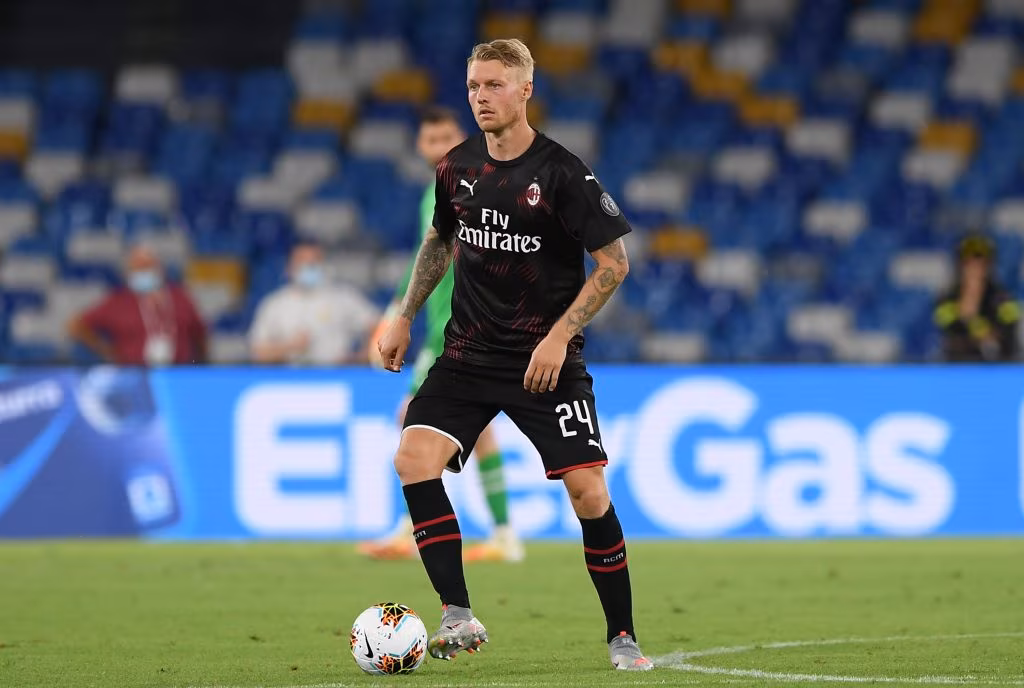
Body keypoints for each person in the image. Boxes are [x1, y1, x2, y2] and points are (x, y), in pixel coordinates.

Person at [376, 39, 652, 671]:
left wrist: (558, 336)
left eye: (495, 85)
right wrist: (405, 315)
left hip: (543, 363)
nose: (481, 97)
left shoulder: (562, 174)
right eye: (474, 86)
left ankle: (622, 636)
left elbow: (614, 264)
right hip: (468, 354)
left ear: (526, 90)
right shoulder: (456, 167)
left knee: (588, 493)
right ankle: (457, 614)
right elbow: (439, 241)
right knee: (413, 457)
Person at [358, 106, 524, 564]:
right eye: (432, 140)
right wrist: (397, 310)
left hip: (463, 327)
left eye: (447, 137)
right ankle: (504, 534)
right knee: (478, 429)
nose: (440, 147)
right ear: (420, 145)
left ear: (461, 136)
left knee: (413, 416)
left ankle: (415, 528)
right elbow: (425, 257)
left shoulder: (478, 188)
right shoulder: (433, 194)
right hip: (445, 325)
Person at [70, 243, 207, 365]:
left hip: (178, 372)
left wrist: (201, 364)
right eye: (137, 268)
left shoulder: (180, 297)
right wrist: (106, 351)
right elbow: (76, 325)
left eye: (146, 266)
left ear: (159, 268)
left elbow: (200, 333)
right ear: (128, 273)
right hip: (133, 373)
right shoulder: (118, 301)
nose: (142, 272)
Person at [249, 242, 379, 365]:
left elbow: (380, 328)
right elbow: (257, 352)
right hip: (291, 375)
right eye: (302, 262)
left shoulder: (343, 297)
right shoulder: (274, 304)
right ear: (289, 267)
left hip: (337, 374)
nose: (309, 267)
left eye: (314, 262)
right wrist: (290, 347)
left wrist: (360, 357)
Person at [934, 234, 1019, 362]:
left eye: (981, 264)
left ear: (989, 266)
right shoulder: (946, 299)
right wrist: (970, 299)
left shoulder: (1005, 299)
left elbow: (1009, 335)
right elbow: (951, 332)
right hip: (956, 367)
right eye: (970, 264)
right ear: (960, 266)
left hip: (997, 367)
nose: (975, 270)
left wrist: (986, 334)